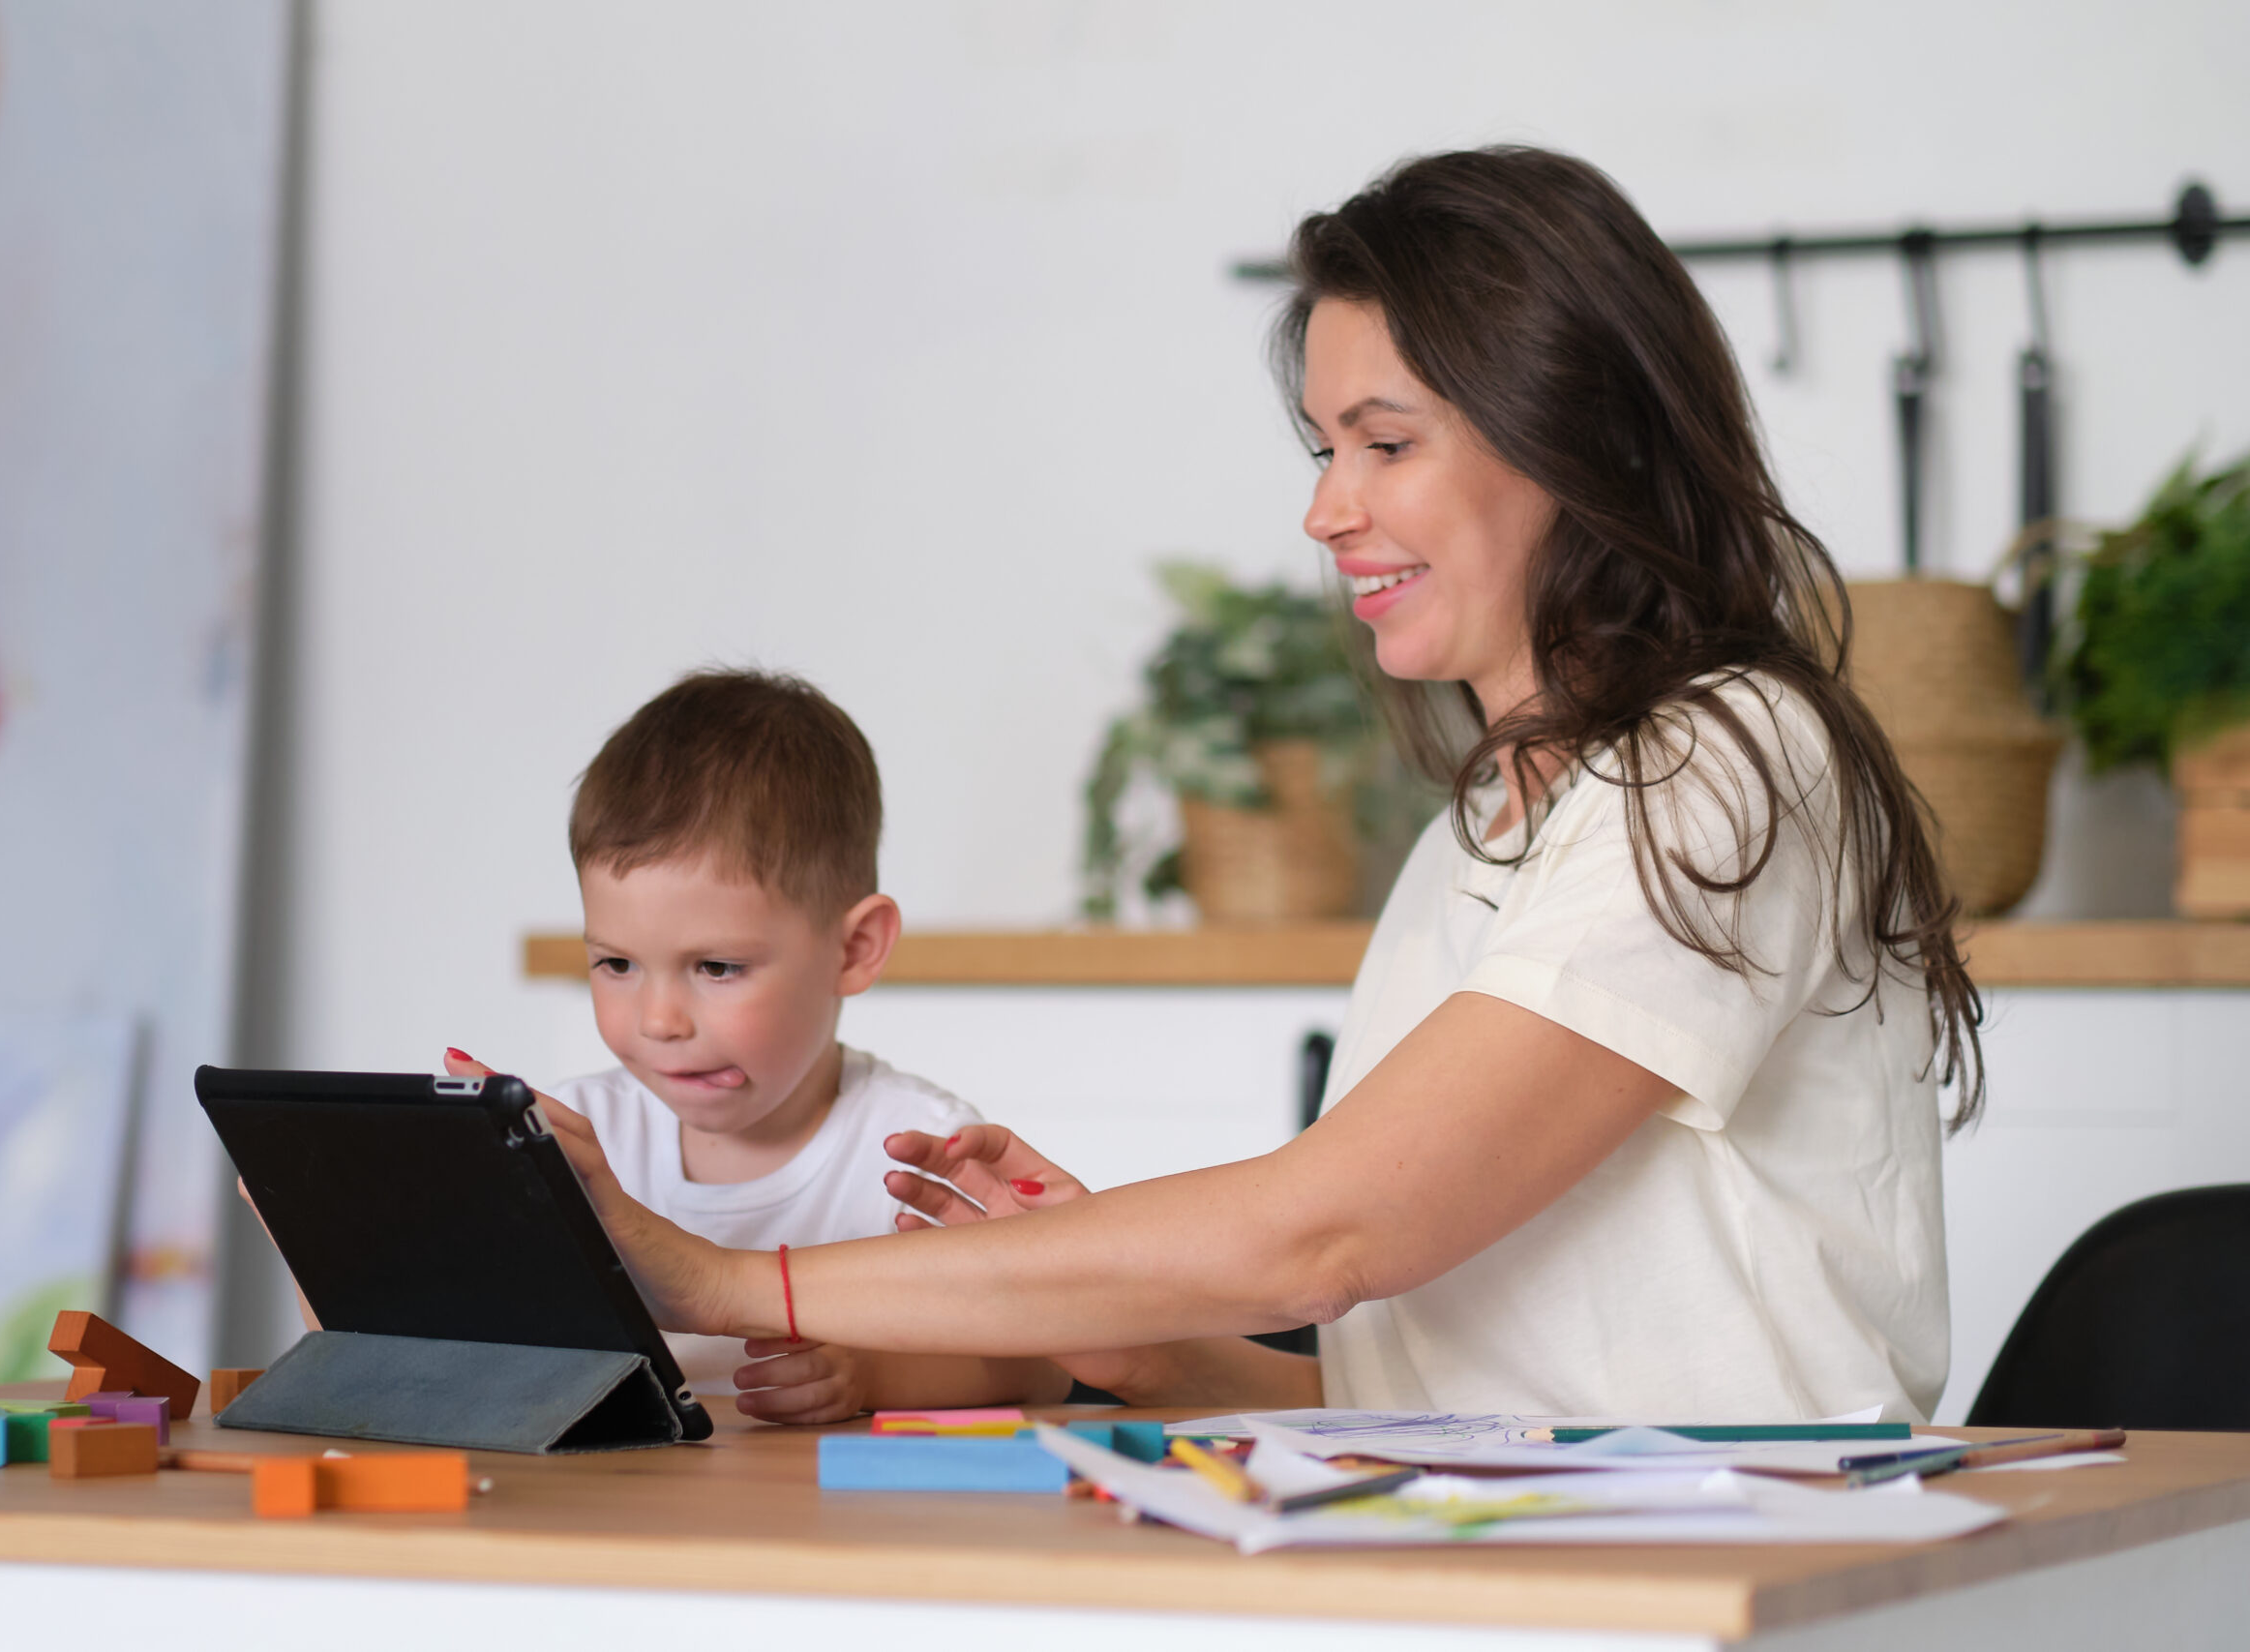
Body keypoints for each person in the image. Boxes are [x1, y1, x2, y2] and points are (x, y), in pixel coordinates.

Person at [471, 147, 1985, 1425]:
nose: (1328, 509)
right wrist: (1132, 1339)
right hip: (1523, 1549)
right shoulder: (1495, 819)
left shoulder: (1724, 758)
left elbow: (1335, 1226)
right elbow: (1415, 1388)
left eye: (1384, 442)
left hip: (1737, 1571)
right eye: (1326, 446)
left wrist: (714, 1275)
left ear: (1568, 440)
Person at [447, 670, 1066, 1423]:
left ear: (855, 949)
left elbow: (1042, 1363)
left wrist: (876, 1376)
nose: (660, 1020)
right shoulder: (572, 1138)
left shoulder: (914, 1151)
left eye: (717, 967)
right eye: (617, 963)